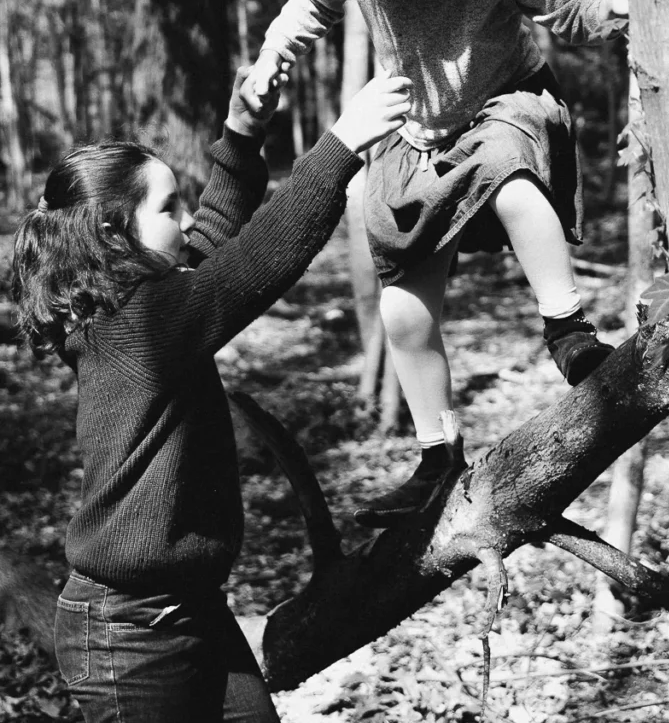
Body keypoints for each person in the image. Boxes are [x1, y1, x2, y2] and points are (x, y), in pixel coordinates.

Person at [245, 0, 629, 530]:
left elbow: (565, 3)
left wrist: (610, 8)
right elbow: (311, 4)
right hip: (413, 134)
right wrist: (270, 60)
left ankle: (569, 334)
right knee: (403, 312)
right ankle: (437, 455)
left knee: (513, 181)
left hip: (501, 105)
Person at [11, 64, 412, 723]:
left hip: (190, 606)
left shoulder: (129, 300)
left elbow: (212, 236)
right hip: (129, 636)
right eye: (168, 207)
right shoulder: (139, 321)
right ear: (118, 233)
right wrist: (341, 145)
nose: (184, 216)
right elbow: (255, 261)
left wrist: (241, 135)